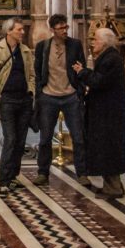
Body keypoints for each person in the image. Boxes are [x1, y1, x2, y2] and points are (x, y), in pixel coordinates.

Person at [32, 14, 90, 187]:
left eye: (66, 27)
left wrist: (79, 90)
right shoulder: (43, 47)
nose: (65, 31)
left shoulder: (75, 45)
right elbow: (38, 71)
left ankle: (82, 173)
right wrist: (40, 93)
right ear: (52, 30)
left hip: (71, 95)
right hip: (49, 96)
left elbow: (82, 68)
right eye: (61, 28)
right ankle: (43, 173)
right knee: (45, 138)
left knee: (78, 137)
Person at [72, 27, 125, 199]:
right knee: (105, 148)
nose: (92, 43)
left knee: (108, 149)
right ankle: (112, 185)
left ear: (104, 43)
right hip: (106, 111)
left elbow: (99, 81)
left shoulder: (111, 59)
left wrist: (82, 72)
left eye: (95, 40)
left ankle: (113, 188)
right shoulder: (108, 57)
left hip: (109, 114)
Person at [0, 18, 35, 196]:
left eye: (22, 30)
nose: (22, 32)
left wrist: (31, 92)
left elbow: (32, 75)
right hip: (7, 101)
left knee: (20, 141)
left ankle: (13, 176)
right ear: (9, 31)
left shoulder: (25, 51)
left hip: (24, 100)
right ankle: (3, 179)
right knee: (10, 139)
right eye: (19, 30)